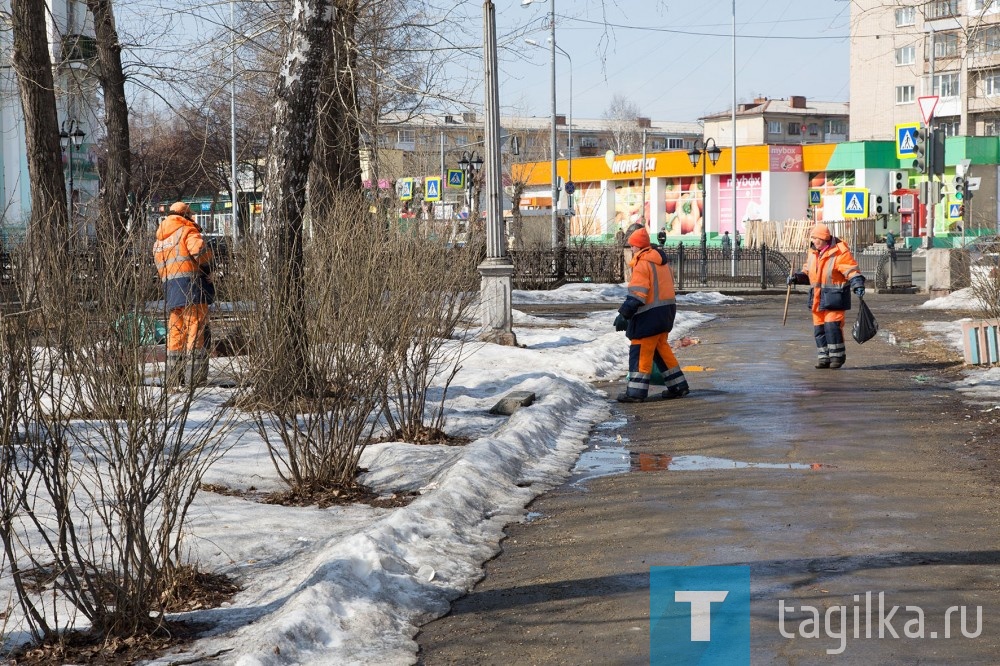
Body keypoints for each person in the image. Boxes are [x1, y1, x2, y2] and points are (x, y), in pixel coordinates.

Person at [614, 226, 690, 402]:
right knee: (662, 350)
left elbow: (637, 295)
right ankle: (678, 386)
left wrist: (624, 314)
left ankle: (635, 393)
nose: (631, 249)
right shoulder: (662, 263)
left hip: (648, 316)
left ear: (638, 247)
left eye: (632, 246)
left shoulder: (642, 264)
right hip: (666, 313)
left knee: (640, 351)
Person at [153, 201, 215, 388]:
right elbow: (200, 251)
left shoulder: (160, 241)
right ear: (186, 215)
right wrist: (209, 268)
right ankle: (195, 380)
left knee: (176, 334)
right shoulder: (187, 230)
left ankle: (174, 378)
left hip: (172, 292)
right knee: (196, 330)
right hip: (192, 288)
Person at [786, 222, 865, 369]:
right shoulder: (813, 252)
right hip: (817, 299)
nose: (814, 241)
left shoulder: (839, 252)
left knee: (832, 328)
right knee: (819, 330)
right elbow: (807, 272)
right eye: (813, 238)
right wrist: (796, 278)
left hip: (835, 298)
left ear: (825, 239)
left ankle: (837, 357)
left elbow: (851, 270)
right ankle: (824, 358)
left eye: (818, 239)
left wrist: (858, 284)